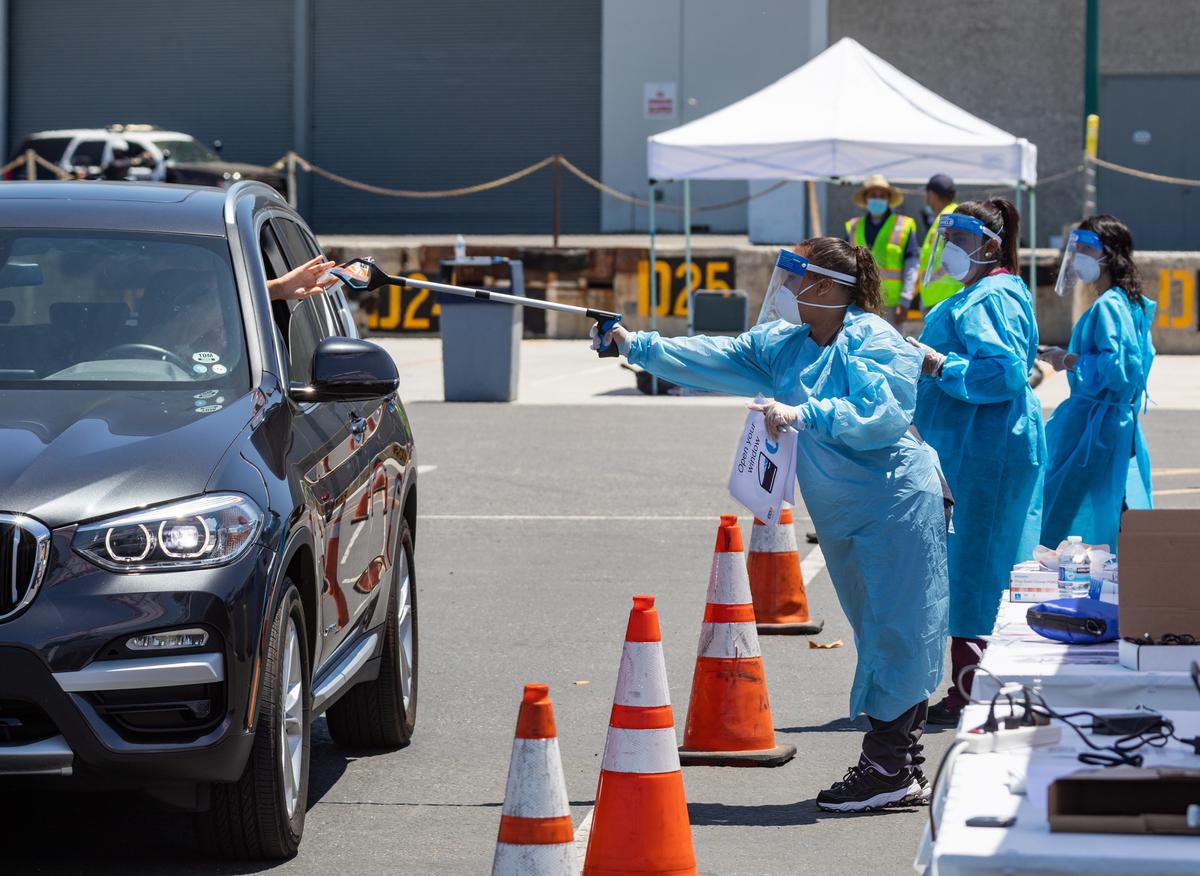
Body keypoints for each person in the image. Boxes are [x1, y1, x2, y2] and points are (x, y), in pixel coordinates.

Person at [592, 238, 949, 812]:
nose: (784, 289)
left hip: (895, 503)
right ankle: (900, 765)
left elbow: (881, 416)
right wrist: (636, 345)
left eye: (794, 278)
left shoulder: (874, 341)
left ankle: (888, 767)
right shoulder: (788, 346)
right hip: (848, 511)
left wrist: (808, 413)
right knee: (877, 628)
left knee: (899, 628)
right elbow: (717, 356)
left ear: (828, 288)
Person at [907, 198, 1045, 726]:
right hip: (973, 445)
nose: (950, 249)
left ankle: (973, 686)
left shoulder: (992, 296)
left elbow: (1003, 372)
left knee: (977, 565)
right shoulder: (980, 293)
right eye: (948, 238)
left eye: (961, 239)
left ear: (988, 243)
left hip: (987, 448)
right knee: (971, 562)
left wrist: (938, 363)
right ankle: (972, 681)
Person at [1039, 215, 1156, 549]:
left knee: (1068, 505)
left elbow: (1119, 369)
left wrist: (1069, 360)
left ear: (1108, 254)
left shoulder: (1109, 306)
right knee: (1113, 502)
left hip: (1097, 427)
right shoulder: (1127, 302)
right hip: (1111, 423)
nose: (1078, 257)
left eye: (1086, 249)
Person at [844, 174, 919, 328]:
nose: (877, 199)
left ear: (888, 199)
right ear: (865, 199)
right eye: (873, 195)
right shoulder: (853, 226)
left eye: (881, 195)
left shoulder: (903, 225)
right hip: (859, 301)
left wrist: (905, 300)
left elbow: (912, 264)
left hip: (891, 304)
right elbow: (844, 263)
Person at [916, 174, 961, 311]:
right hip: (942, 296)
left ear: (932, 195)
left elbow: (954, 256)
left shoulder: (948, 218)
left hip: (944, 297)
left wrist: (931, 278)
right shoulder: (947, 216)